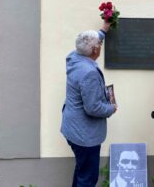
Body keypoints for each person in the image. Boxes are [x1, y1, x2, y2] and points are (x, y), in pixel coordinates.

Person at [61, 21, 117, 187]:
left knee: (81, 170)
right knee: (87, 177)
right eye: (99, 44)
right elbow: (93, 108)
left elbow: (89, 43)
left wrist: (103, 31)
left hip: (72, 127)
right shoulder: (89, 73)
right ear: (95, 50)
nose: (100, 45)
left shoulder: (74, 57)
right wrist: (111, 108)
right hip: (85, 136)